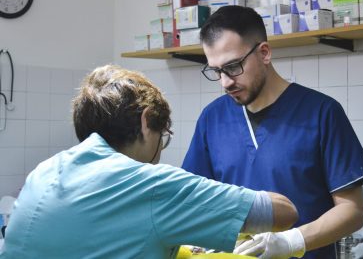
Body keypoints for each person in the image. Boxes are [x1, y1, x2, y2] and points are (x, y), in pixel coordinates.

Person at [0, 65, 299, 259]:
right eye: (163, 135)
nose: (160, 152)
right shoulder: (152, 184)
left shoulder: (44, 171)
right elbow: (282, 212)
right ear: (146, 122)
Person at [182, 6, 363, 259]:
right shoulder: (212, 118)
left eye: (233, 66)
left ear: (264, 53)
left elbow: (353, 210)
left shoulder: (322, 113)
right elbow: (194, 199)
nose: (225, 82)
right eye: (216, 71)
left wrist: (291, 241)